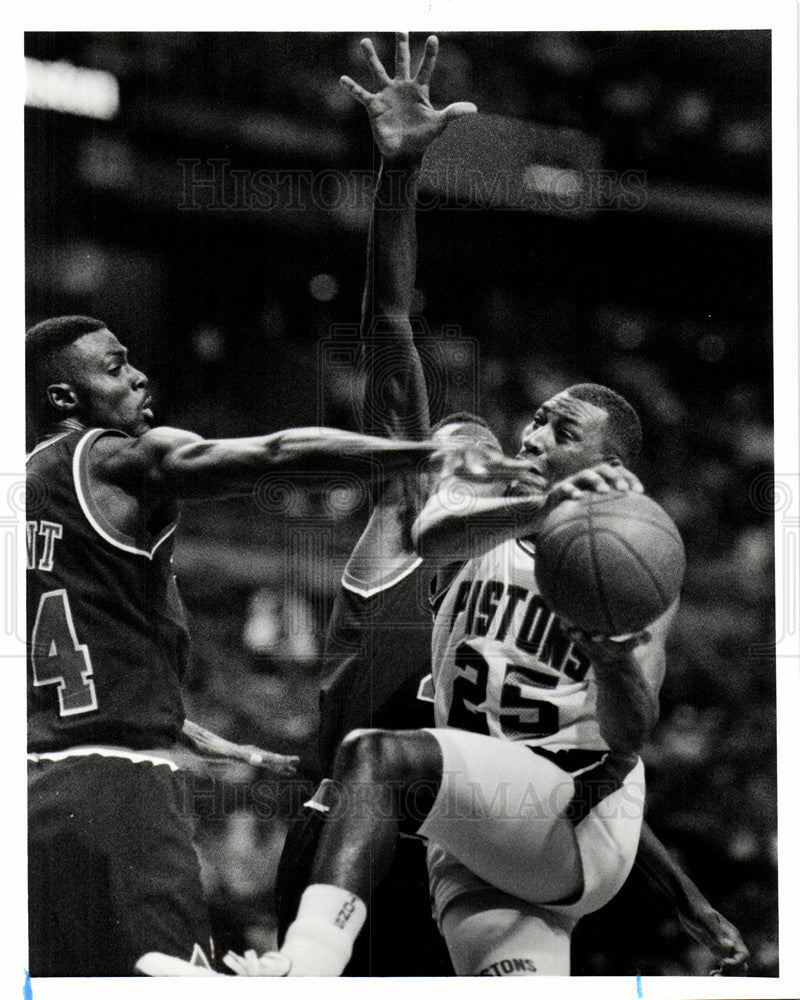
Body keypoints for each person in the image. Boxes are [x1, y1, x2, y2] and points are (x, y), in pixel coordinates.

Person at [234, 32, 749, 979]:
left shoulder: (628, 557)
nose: (519, 435)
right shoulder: (435, 497)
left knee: (400, 762)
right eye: (531, 421)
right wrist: (399, 174)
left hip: (487, 811)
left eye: (560, 429)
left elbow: (596, 750)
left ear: (611, 465)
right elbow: (389, 322)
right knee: (387, 771)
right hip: (388, 826)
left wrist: (686, 897)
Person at [25, 313, 444, 976]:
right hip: (117, 794)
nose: (138, 376)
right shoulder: (112, 459)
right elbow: (271, 454)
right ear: (61, 398)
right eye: (113, 367)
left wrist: (179, 724)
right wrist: (425, 456)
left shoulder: (19, 492)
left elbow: (61, 654)